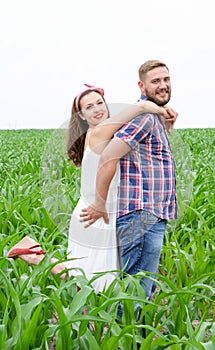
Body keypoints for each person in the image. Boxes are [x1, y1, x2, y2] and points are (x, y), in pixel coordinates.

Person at [7, 83, 176, 292]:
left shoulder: (109, 133)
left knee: (90, 276)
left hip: (102, 209)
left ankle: (32, 253)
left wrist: (164, 123)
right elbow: (139, 109)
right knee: (93, 280)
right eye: (89, 107)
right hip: (97, 212)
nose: (97, 109)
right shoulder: (98, 132)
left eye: (99, 103)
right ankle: (30, 255)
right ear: (82, 116)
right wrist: (160, 109)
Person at [80, 60, 178, 301]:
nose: (163, 85)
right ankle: (128, 338)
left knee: (137, 288)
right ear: (142, 86)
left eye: (166, 79)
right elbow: (108, 157)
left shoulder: (150, 118)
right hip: (140, 213)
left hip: (145, 213)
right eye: (155, 81)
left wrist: (166, 122)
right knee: (133, 290)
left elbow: (147, 156)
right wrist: (100, 203)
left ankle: (135, 338)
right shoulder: (143, 116)